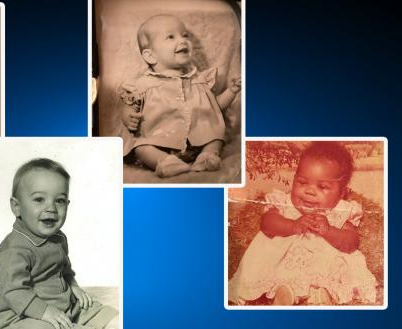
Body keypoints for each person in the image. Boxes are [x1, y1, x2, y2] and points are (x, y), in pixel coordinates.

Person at [229, 142, 378, 305]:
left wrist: (329, 231)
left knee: (337, 274)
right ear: (294, 180)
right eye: (302, 182)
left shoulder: (341, 211)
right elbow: (267, 224)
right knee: (275, 275)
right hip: (283, 261)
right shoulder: (284, 202)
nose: (309, 191)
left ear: (341, 193)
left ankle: (320, 295)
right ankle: (283, 294)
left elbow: (351, 243)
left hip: (322, 266)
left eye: (322, 187)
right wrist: (291, 226)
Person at [0, 158, 118, 329]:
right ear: (16, 206)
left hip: (65, 307)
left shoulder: (58, 238)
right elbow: (13, 291)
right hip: (22, 317)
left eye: (60, 201)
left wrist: (74, 287)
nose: (51, 208)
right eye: (39, 199)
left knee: (112, 317)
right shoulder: (14, 250)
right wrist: (45, 312)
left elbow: (64, 269)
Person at [120, 14, 241, 177]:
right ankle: (164, 162)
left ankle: (207, 156)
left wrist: (231, 91)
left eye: (185, 35)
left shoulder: (198, 80)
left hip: (197, 142)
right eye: (170, 37)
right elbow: (128, 106)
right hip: (159, 140)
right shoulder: (142, 84)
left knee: (217, 135)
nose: (183, 40)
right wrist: (128, 117)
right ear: (150, 56)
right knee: (140, 147)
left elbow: (215, 110)